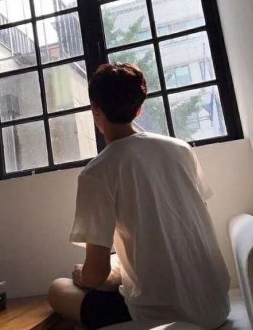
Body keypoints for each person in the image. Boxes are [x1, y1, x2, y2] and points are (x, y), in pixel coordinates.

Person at [48, 63, 230, 330]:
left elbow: (95, 274)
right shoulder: (180, 149)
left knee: (58, 289)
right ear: (138, 109)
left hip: (160, 317)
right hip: (216, 306)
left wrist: (83, 276)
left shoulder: (96, 172)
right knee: (118, 267)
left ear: (95, 109)